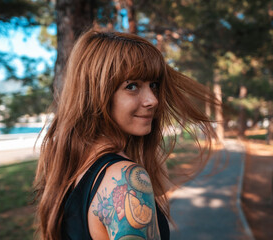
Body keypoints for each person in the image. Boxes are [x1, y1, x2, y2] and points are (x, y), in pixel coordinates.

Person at [34, 30, 218, 240]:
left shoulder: (74, 167)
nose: (153, 100)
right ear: (97, 93)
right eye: (132, 86)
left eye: (154, 85)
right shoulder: (124, 179)